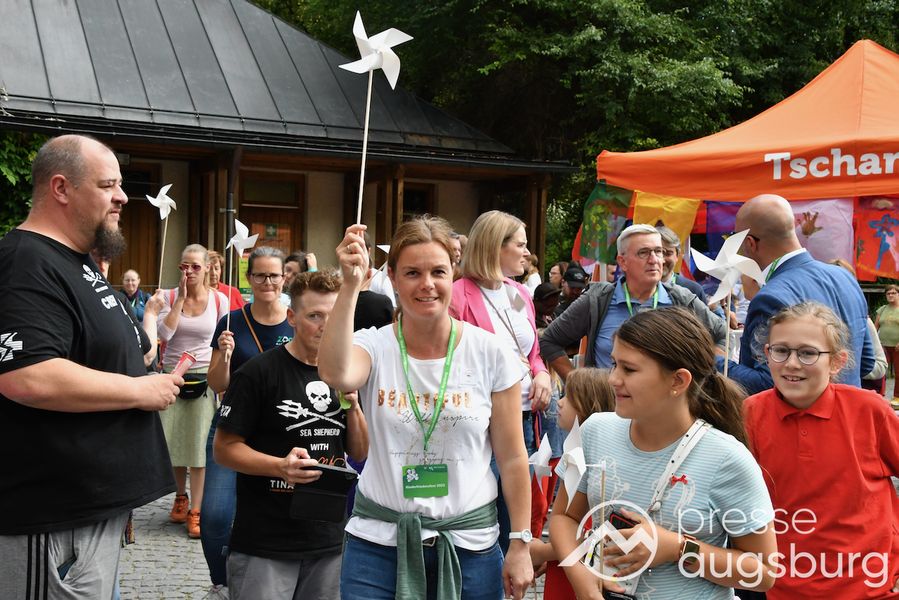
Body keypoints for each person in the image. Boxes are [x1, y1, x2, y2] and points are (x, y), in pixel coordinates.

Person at [0, 134, 181, 599]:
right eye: (108, 185)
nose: (123, 197)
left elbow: (117, 350)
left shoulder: (77, 263)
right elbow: (26, 375)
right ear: (61, 188)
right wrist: (140, 390)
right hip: (53, 523)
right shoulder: (27, 262)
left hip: (89, 517)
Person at [318, 217, 533, 600]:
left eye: (438, 272)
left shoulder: (490, 352)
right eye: (412, 273)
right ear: (392, 278)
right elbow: (336, 373)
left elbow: (513, 456)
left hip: (469, 546)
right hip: (378, 546)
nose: (427, 284)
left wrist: (520, 542)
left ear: (454, 273)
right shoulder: (374, 345)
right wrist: (350, 285)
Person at [550, 307, 777, 599]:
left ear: (678, 381)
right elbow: (564, 517)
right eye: (614, 364)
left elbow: (763, 572)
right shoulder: (595, 430)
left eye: (629, 369)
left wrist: (677, 548)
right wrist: (580, 575)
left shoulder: (727, 458)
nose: (613, 379)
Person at [214, 269, 368, 600]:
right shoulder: (257, 372)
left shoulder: (346, 372)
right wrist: (280, 467)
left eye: (333, 316)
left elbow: (359, 451)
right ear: (292, 318)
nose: (325, 325)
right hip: (266, 542)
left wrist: (354, 407)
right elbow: (224, 449)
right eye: (315, 316)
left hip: (328, 540)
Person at [744, 301, 899, 599]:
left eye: (807, 353)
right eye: (781, 350)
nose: (792, 363)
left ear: (837, 361)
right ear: (767, 354)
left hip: (872, 586)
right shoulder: (749, 414)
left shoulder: (869, 411)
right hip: (784, 588)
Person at [450, 211, 552, 554]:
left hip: (525, 418)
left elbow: (531, 352)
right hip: (483, 422)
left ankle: (514, 569)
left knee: (516, 514)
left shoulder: (519, 292)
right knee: (481, 512)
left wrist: (541, 373)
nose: (527, 252)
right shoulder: (457, 295)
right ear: (495, 246)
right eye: (520, 245)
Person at [200, 246, 295, 596]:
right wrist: (225, 357)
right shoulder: (231, 322)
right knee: (215, 516)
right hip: (233, 426)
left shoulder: (295, 321)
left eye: (274, 275)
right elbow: (216, 384)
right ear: (249, 278)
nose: (267, 282)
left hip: (283, 430)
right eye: (260, 275)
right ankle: (222, 583)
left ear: (284, 278)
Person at [723, 194, 874, 394]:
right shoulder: (844, 277)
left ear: (750, 243)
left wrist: (715, 361)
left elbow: (767, 383)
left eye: (736, 238)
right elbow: (866, 362)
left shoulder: (770, 297)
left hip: (802, 413)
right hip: (849, 408)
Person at [541, 224, 726, 380]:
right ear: (623, 262)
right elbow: (549, 341)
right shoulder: (598, 300)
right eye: (644, 253)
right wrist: (579, 386)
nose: (654, 260)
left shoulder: (682, 299)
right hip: (610, 408)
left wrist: (705, 378)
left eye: (658, 252)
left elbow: (722, 334)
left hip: (665, 409)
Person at [157, 244, 229, 538]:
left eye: (195, 266)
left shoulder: (219, 300)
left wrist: (224, 370)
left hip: (203, 376)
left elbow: (224, 339)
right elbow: (164, 334)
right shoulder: (167, 296)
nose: (189, 271)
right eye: (184, 266)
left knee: (199, 446)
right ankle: (180, 497)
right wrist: (179, 300)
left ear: (207, 268)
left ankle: (196, 510)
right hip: (173, 375)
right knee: (175, 442)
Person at [530, 368, 614, 600]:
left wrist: (544, 551)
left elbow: (585, 532)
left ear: (589, 406)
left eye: (570, 397)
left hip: (581, 570)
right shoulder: (576, 448)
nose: (560, 402)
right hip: (572, 562)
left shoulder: (581, 454)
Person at [655, 225, 707, 304]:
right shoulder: (637, 288)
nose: (662, 260)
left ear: (677, 256)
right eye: (657, 253)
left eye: (668, 253)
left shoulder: (693, 290)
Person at [876, 284, 899, 380]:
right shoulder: (882, 309)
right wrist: (875, 343)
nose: (890, 295)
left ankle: (897, 391)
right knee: (881, 372)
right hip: (883, 346)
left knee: (898, 373)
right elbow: (875, 327)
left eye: (893, 293)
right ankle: (882, 390)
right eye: (888, 293)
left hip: (897, 347)